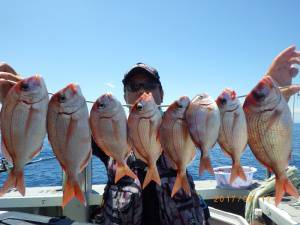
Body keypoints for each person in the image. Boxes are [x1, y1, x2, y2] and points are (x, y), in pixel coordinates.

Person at [0, 45, 299, 225]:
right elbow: (66, 134)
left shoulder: (183, 125)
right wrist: (15, 102)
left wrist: (272, 86)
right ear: (126, 97)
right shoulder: (107, 129)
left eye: (149, 84)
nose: (141, 90)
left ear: (161, 93)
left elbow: (248, 125)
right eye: (133, 86)